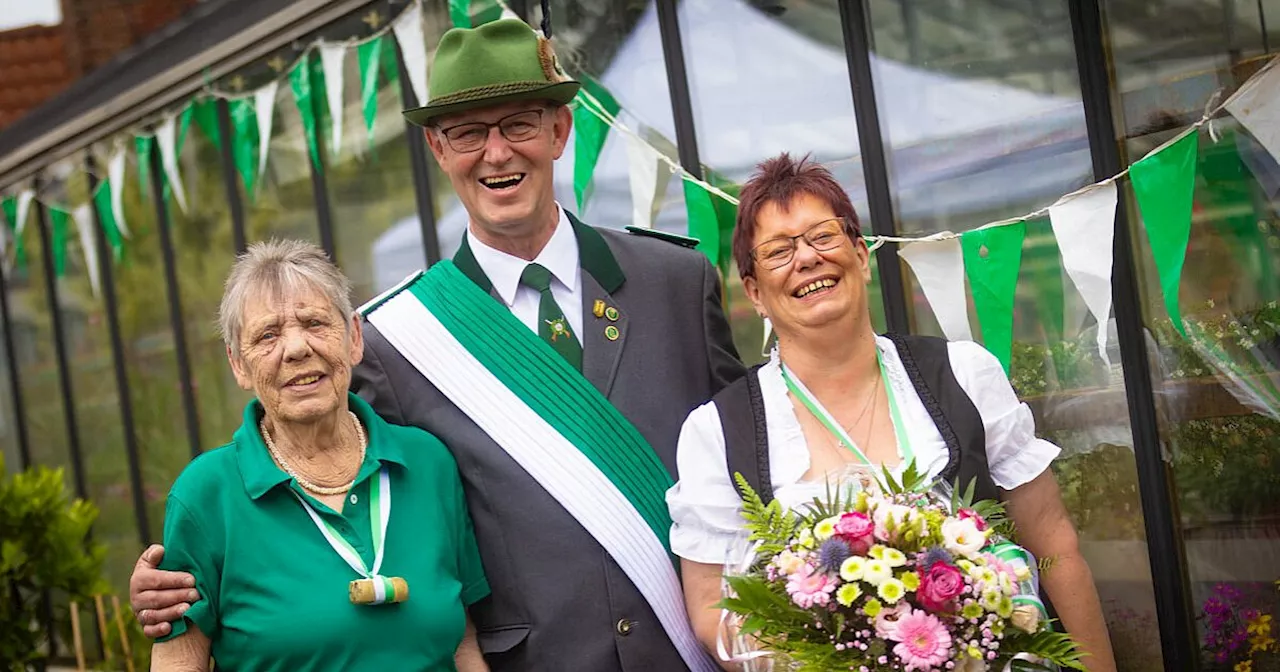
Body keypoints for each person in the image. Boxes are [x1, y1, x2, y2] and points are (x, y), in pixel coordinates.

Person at [130, 18, 742, 672]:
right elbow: (326, 478)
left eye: (519, 125)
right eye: (468, 134)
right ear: (437, 149)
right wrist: (182, 581)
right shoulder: (397, 342)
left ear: (560, 131)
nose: (497, 153)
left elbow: (748, 468)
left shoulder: (674, 282)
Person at [666, 154, 1118, 671]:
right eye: (778, 251)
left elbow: (1054, 547)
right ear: (755, 293)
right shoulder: (716, 431)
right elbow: (711, 608)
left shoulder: (965, 374)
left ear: (859, 255)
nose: (808, 259)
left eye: (823, 237)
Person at [147, 240, 489, 671]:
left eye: (314, 323)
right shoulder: (207, 495)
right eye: (267, 335)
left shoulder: (427, 463)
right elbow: (178, 661)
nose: (296, 348)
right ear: (238, 365)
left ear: (354, 339)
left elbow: (463, 643)